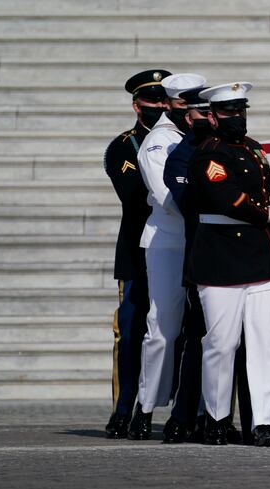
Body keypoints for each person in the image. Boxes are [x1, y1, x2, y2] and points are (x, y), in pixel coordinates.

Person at [187, 82, 270, 447]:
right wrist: (268, 214)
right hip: (221, 257)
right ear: (213, 116)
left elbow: (265, 187)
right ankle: (216, 419)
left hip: (262, 258)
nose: (237, 118)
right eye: (229, 112)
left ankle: (263, 422)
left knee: (266, 343)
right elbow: (227, 197)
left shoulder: (254, 149)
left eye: (241, 111)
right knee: (221, 343)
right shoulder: (207, 154)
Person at [160, 87, 253, 445]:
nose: (205, 122)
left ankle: (230, 417)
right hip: (205, 257)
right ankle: (185, 417)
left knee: (239, 343)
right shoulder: (185, 156)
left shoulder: (232, 151)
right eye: (199, 115)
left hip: (241, 257)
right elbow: (194, 207)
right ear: (191, 118)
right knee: (203, 340)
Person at [127, 73, 208, 440]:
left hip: (202, 240)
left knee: (206, 331)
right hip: (170, 241)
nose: (189, 111)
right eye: (181, 105)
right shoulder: (159, 142)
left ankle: (199, 411)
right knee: (162, 329)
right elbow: (166, 195)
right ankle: (144, 410)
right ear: (170, 104)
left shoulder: (198, 137)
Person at [103, 69, 170, 439]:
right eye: (153, 101)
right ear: (136, 105)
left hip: (179, 247)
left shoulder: (188, 140)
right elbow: (135, 196)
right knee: (130, 332)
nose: (160, 107)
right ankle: (123, 407)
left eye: (165, 100)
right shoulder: (123, 146)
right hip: (137, 252)